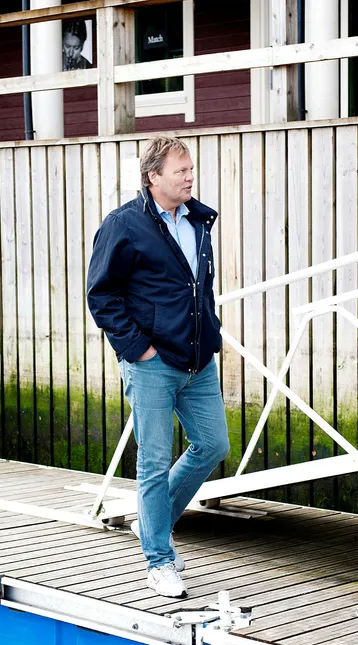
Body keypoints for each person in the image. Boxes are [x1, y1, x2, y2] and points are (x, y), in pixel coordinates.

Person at [86, 135, 230, 599]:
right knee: (153, 461)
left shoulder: (198, 220)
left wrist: (210, 333)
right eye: (180, 171)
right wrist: (138, 349)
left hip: (198, 358)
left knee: (214, 444)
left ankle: (153, 522)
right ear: (153, 177)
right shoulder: (124, 225)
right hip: (152, 362)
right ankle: (158, 560)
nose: (190, 177)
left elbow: (198, 287)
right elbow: (101, 296)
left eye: (191, 169)